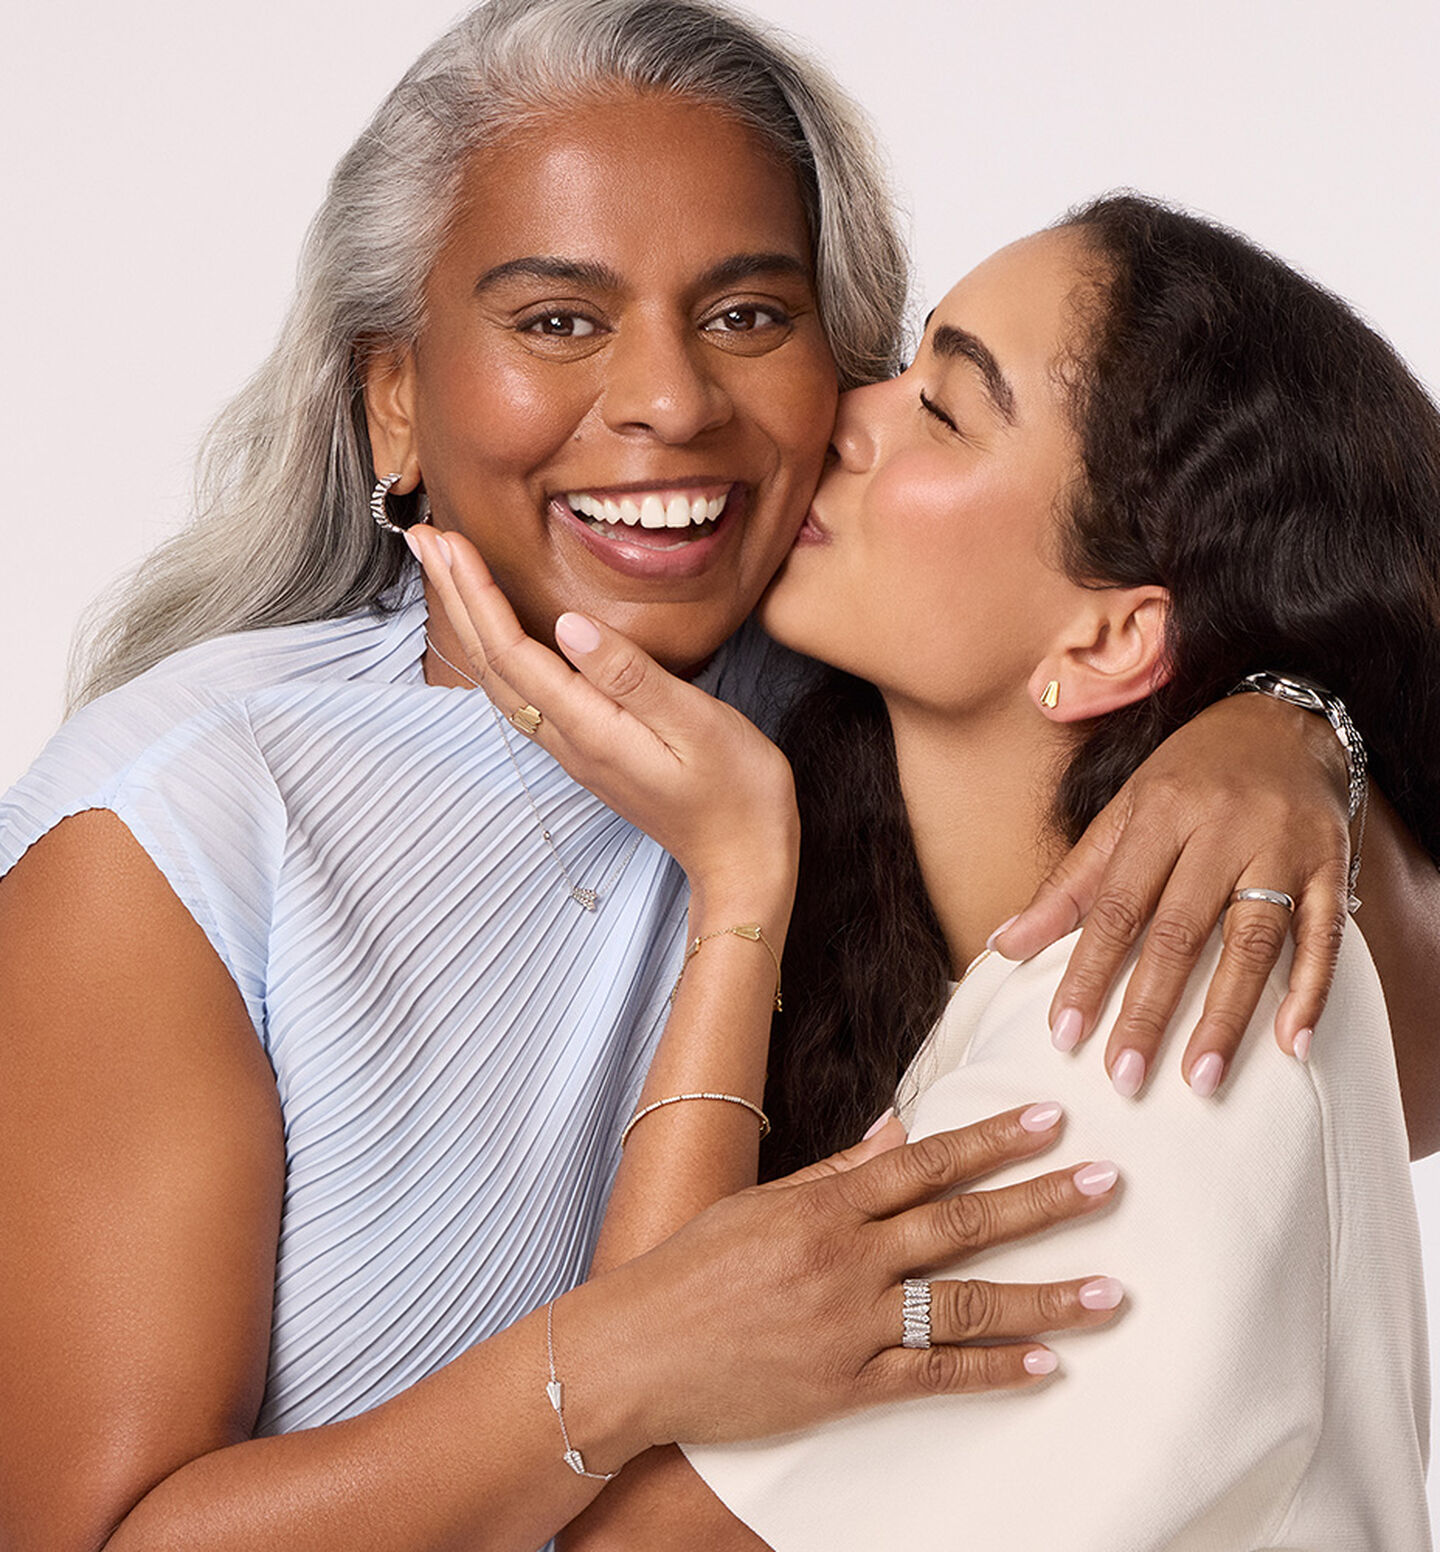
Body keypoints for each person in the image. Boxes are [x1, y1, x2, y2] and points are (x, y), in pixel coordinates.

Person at [1, 0, 1433, 1544]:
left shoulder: (879, 681)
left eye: (750, 316)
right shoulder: (188, 817)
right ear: (394, 398)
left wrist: (1291, 725)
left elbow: (1364, 1089)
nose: (672, 401)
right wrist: (624, 1361)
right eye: (559, 321)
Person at [416, 194, 1434, 1548]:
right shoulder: (1016, 996)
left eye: (946, 410)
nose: (844, 413)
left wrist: (739, 878)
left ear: (1115, 637)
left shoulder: (1141, 1039)